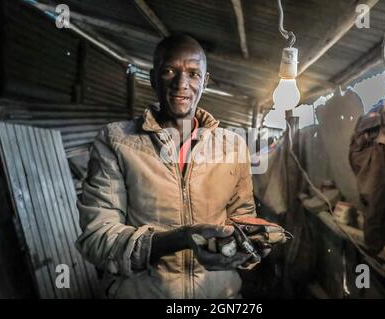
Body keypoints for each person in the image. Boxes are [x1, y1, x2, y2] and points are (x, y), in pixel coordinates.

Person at [75, 34, 273, 299]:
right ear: (153, 76)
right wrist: (180, 238)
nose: (182, 84)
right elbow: (98, 238)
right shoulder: (117, 141)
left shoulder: (233, 146)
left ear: (205, 81)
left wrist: (252, 245)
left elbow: (242, 221)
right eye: (170, 70)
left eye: (193, 74)